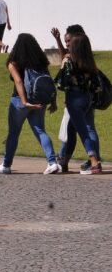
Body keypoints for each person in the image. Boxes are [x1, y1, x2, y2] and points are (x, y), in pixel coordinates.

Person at [0, 33, 60, 175]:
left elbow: (18, 81)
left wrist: (24, 102)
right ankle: (52, 162)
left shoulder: (13, 62)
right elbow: (48, 81)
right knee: (41, 131)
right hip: (39, 100)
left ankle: (6, 165)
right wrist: (53, 101)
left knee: (13, 133)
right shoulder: (40, 61)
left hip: (19, 101)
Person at [53, 31, 101, 175]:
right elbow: (96, 84)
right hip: (87, 98)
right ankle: (64, 161)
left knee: (82, 131)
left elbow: (61, 82)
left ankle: (94, 161)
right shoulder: (89, 62)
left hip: (74, 98)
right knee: (71, 129)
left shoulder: (70, 61)